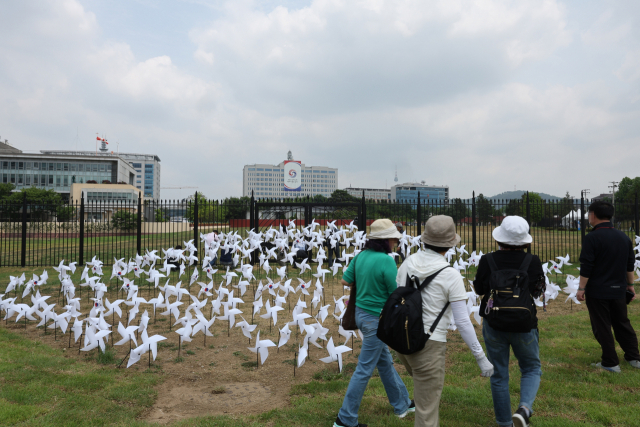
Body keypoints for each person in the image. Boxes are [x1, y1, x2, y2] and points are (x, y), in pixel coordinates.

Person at [396, 215, 494, 427]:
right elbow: (462, 321)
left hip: (401, 340)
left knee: (424, 395)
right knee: (426, 414)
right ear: (450, 244)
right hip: (429, 344)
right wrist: (480, 356)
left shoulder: (407, 262)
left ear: (424, 239)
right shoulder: (451, 275)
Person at [334, 219, 413, 427]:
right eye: (394, 238)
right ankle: (345, 419)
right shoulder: (387, 260)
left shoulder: (361, 256)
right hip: (376, 320)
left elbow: (345, 280)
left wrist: (366, 281)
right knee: (364, 369)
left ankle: (402, 404)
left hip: (360, 315)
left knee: (384, 362)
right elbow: (393, 293)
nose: (396, 241)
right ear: (385, 239)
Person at [474, 216, 544, 427]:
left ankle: (504, 423)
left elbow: (479, 289)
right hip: (524, 323)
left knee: (498, 373)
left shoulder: (488, 260)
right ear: (524, 241)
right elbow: (537, 292)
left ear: (499, 239)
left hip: (494, 322)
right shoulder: (532, 261)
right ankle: (524, 409)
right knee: (531, 368)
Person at [576, 201, 639, 373]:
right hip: (619, 289)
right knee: (622, 323)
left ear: (593, 215)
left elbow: (586, 266)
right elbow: (629, 265)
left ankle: (610, 363)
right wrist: (631, 286)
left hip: (598, 291)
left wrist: (581, 288)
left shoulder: (591, 238)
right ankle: (634, 357)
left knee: (602, 326)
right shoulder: (624, 238)